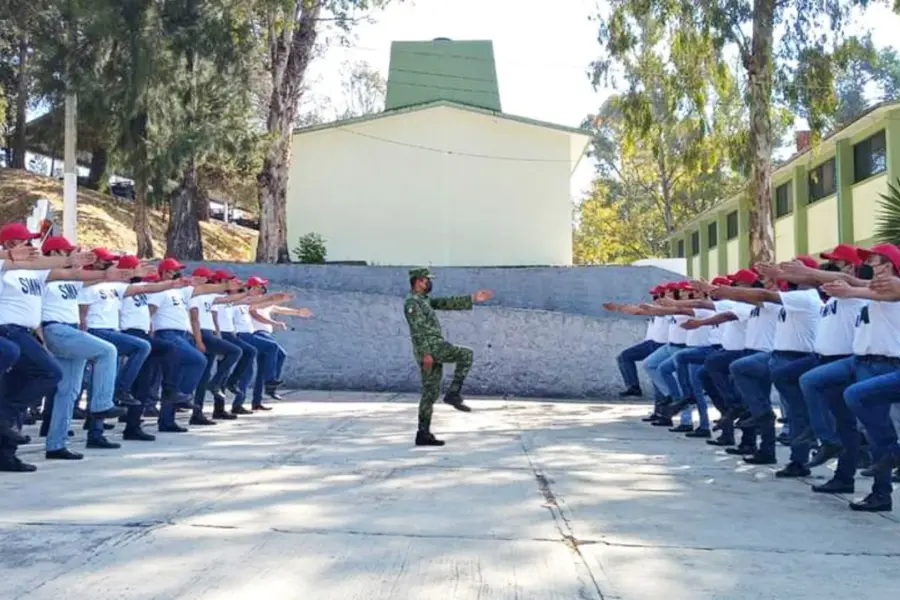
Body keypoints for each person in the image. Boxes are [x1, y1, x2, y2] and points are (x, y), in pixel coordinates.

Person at [39, 236, 128, 459]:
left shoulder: (72, 278)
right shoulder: (45, 274)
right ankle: (101, 405)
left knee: (68, 392)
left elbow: (85, 277)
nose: (72, 254)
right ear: (52, 254)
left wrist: (109, 273)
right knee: (108, 351)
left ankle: (56, 445)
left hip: (71, 330)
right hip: (56, 329)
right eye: (66, 251)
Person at [403, 267, 493, 447]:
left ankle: (423, 433)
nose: (429, 283)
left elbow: (446, 303)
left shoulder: (423, 300)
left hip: (431, 349)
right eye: (426, 280)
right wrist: (426, 354)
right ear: (418, 281)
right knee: (466, 354)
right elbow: (417, 330)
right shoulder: (412, 302)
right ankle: (453, 394)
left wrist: (473, 298)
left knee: (430, 393)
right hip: (431, 347)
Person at [250, 296, 311, 400]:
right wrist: (274, 323)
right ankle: (271, 382)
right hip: (257, 334)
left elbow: (279, 309)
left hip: (266, 335)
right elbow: (255, 315)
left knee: (263, 369)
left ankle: (258, 400)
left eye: (262, 289)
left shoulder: (265, 304)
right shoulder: (251, 302)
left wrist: (297, 312)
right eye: (258, 288)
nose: (261, 291)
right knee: (279, 353)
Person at [610, 286, 666, 398]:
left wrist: (619, 308)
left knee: (657, 379)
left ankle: (663, 407)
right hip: (650, 343)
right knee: (624, 357)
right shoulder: (656, 310)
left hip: (660, 345)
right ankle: (633, 387)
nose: (655, 299)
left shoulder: (666, 310)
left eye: (659, 296)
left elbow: (637, 311)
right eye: (654, 297)